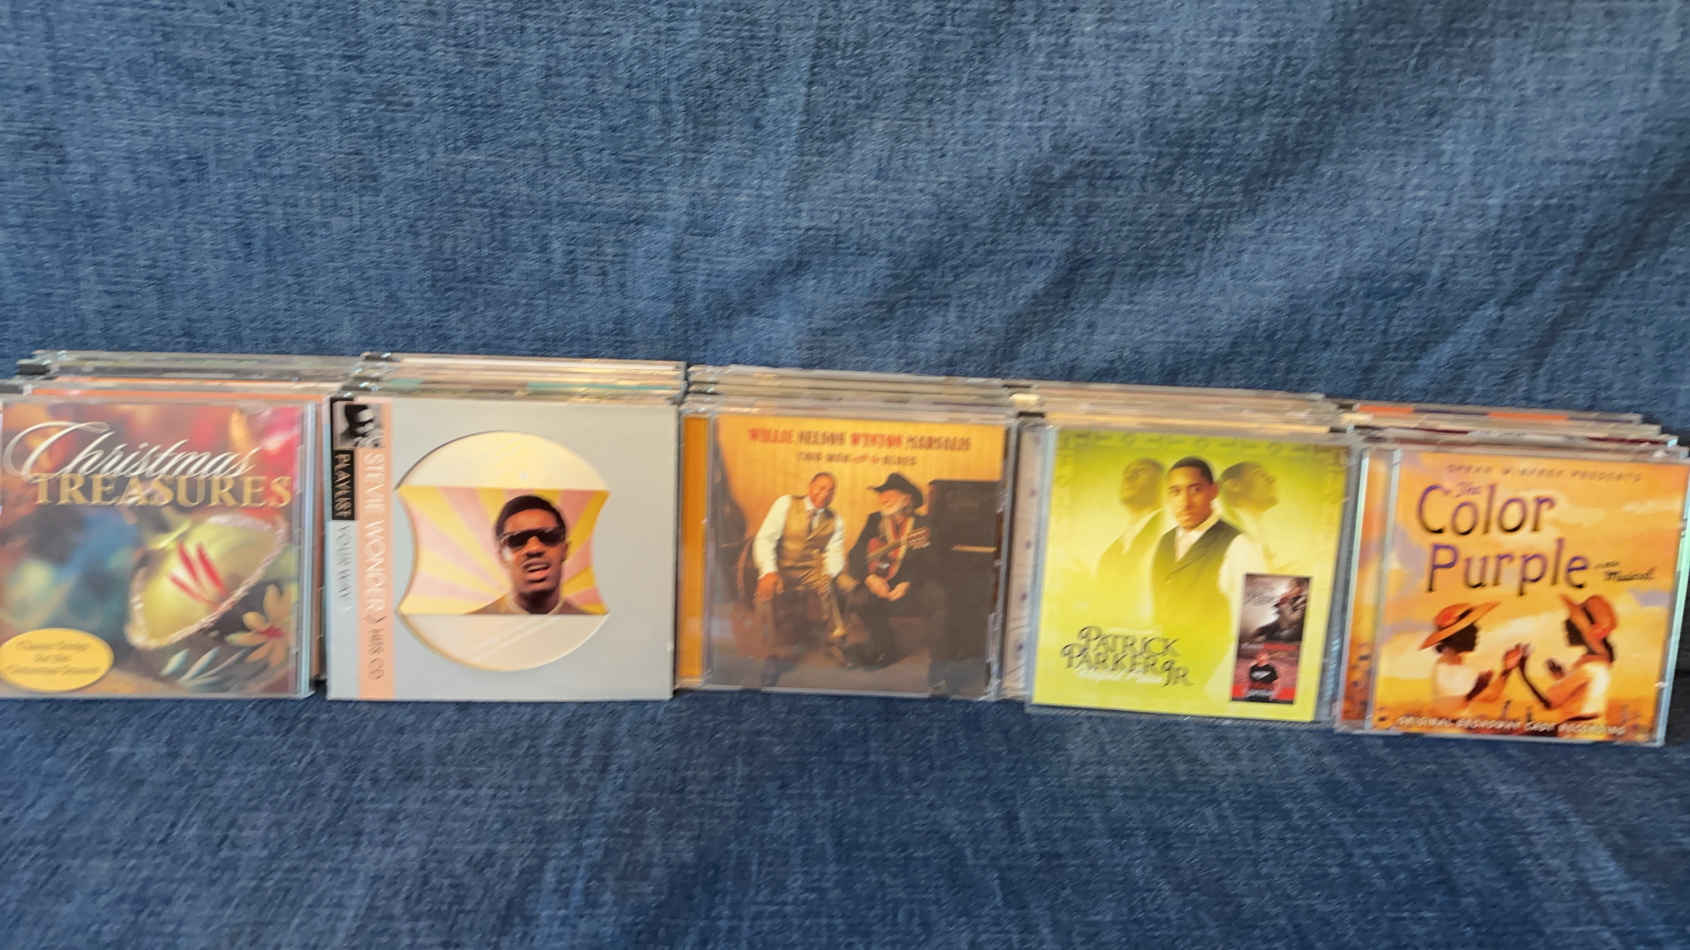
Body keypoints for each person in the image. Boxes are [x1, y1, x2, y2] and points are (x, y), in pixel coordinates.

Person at [840, 473, 947, 673]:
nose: (884, 498)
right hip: (880, 580)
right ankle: (885, 647)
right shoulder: (874, 520)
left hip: (913, 583)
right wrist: (870, 578)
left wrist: (908, 582)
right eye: (882, 494)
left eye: (890, 494)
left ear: (906, 499)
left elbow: (932, 562)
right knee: (860, 598)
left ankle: (940, 662)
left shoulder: (924, 525)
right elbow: (856, 554)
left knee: (938, 597)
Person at [1149, 458, 1265, 640]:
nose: (1185, 503)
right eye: (1175, 492)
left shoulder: (1239, 544)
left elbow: (1257, 623)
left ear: (1214, 491)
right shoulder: (1165, 541)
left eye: (1195, 490)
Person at [750, 472, 848, 671]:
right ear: (810, 487)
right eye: (821, 488)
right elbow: (765, 539)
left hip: (809, 571)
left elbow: (835, 552)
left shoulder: (836, 520)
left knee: (831, 585)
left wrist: (828, 574)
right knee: (765, 594)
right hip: (780, 567)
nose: (825, 494)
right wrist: (768, 571)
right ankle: (769, 653)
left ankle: (834, 642)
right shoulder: (785, 504)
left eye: (831, 491)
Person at [1518, 594, 1616, 734]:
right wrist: (1562, 677)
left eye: (1573, 621)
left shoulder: (1588, 668)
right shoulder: (1598, 665)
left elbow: (1549, 704)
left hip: (1576, 733)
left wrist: (1523, 672)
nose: (1566, 623)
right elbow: (1580, 695)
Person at [472, 495, 585, 615]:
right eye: (517, 540)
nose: (534, 548)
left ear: (565, 550)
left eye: (548, 536)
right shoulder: (471, 624)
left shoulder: (592, 622)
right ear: (501, 557)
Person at [1420, 601, 1524, 718]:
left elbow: (1485, 695)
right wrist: (1506, 669)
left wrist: (1504, 670)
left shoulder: (1452, 664)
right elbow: (1490, 695)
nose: (1476, 630)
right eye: (1470, 627)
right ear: (1457, 636)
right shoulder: (1448, 668)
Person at [1093, 458, 1167, 620]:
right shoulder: (1115, 546)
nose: (1128, 477)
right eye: (1126, 473)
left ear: (1162, 484)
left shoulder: (1169, 532)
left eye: (1140, 471)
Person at [1218, 461, 1279, 568]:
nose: (1272, 480)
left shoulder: (1258, 529)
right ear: (1235, 485)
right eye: (1260, 474)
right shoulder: (1224, 534)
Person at [1249, 579, 1308, 643]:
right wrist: (1264, 628)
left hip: (1297, 633)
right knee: (1265, 632)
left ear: (1300, 588)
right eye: (1289, 587)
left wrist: (1284, 604)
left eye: (1293, 587)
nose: (1289, 590)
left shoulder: (1304, 601)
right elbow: (1281, 621)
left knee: (1280, 636)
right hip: (1286, 630)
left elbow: (1292, 621)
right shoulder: (1291, 600)